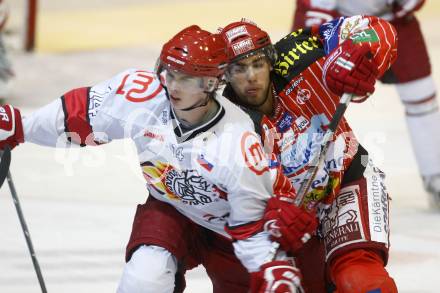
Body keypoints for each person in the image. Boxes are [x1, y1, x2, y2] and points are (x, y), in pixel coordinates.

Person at [0, 25, 319, 293]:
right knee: (143, 280)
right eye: (169, 73)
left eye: (186, 78)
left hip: (226, 231)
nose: (172, 85)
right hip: (170, 209)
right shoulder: (141, 94)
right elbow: (79, 115)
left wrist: (271, 266)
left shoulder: (239, 142)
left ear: (209, 84)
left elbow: (250, 227)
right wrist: (20, 126)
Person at [220, 16, 398, 292]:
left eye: (258, 64)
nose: (251, 76)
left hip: (348, 177)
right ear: (225, 75)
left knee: (359, 276)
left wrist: (362, 54)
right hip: (288, 216)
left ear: (270, 61)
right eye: (239, 69)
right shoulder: (224, 123)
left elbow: (378, 30)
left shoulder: (301, 52)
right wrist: (267, 213)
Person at [292, 0, 440, 209]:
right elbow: (314, 11)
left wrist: (392, 18)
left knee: (421, 95)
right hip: (339, 25)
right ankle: (304, 180)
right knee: (310, 98)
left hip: (393, 22)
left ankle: (435, 176)